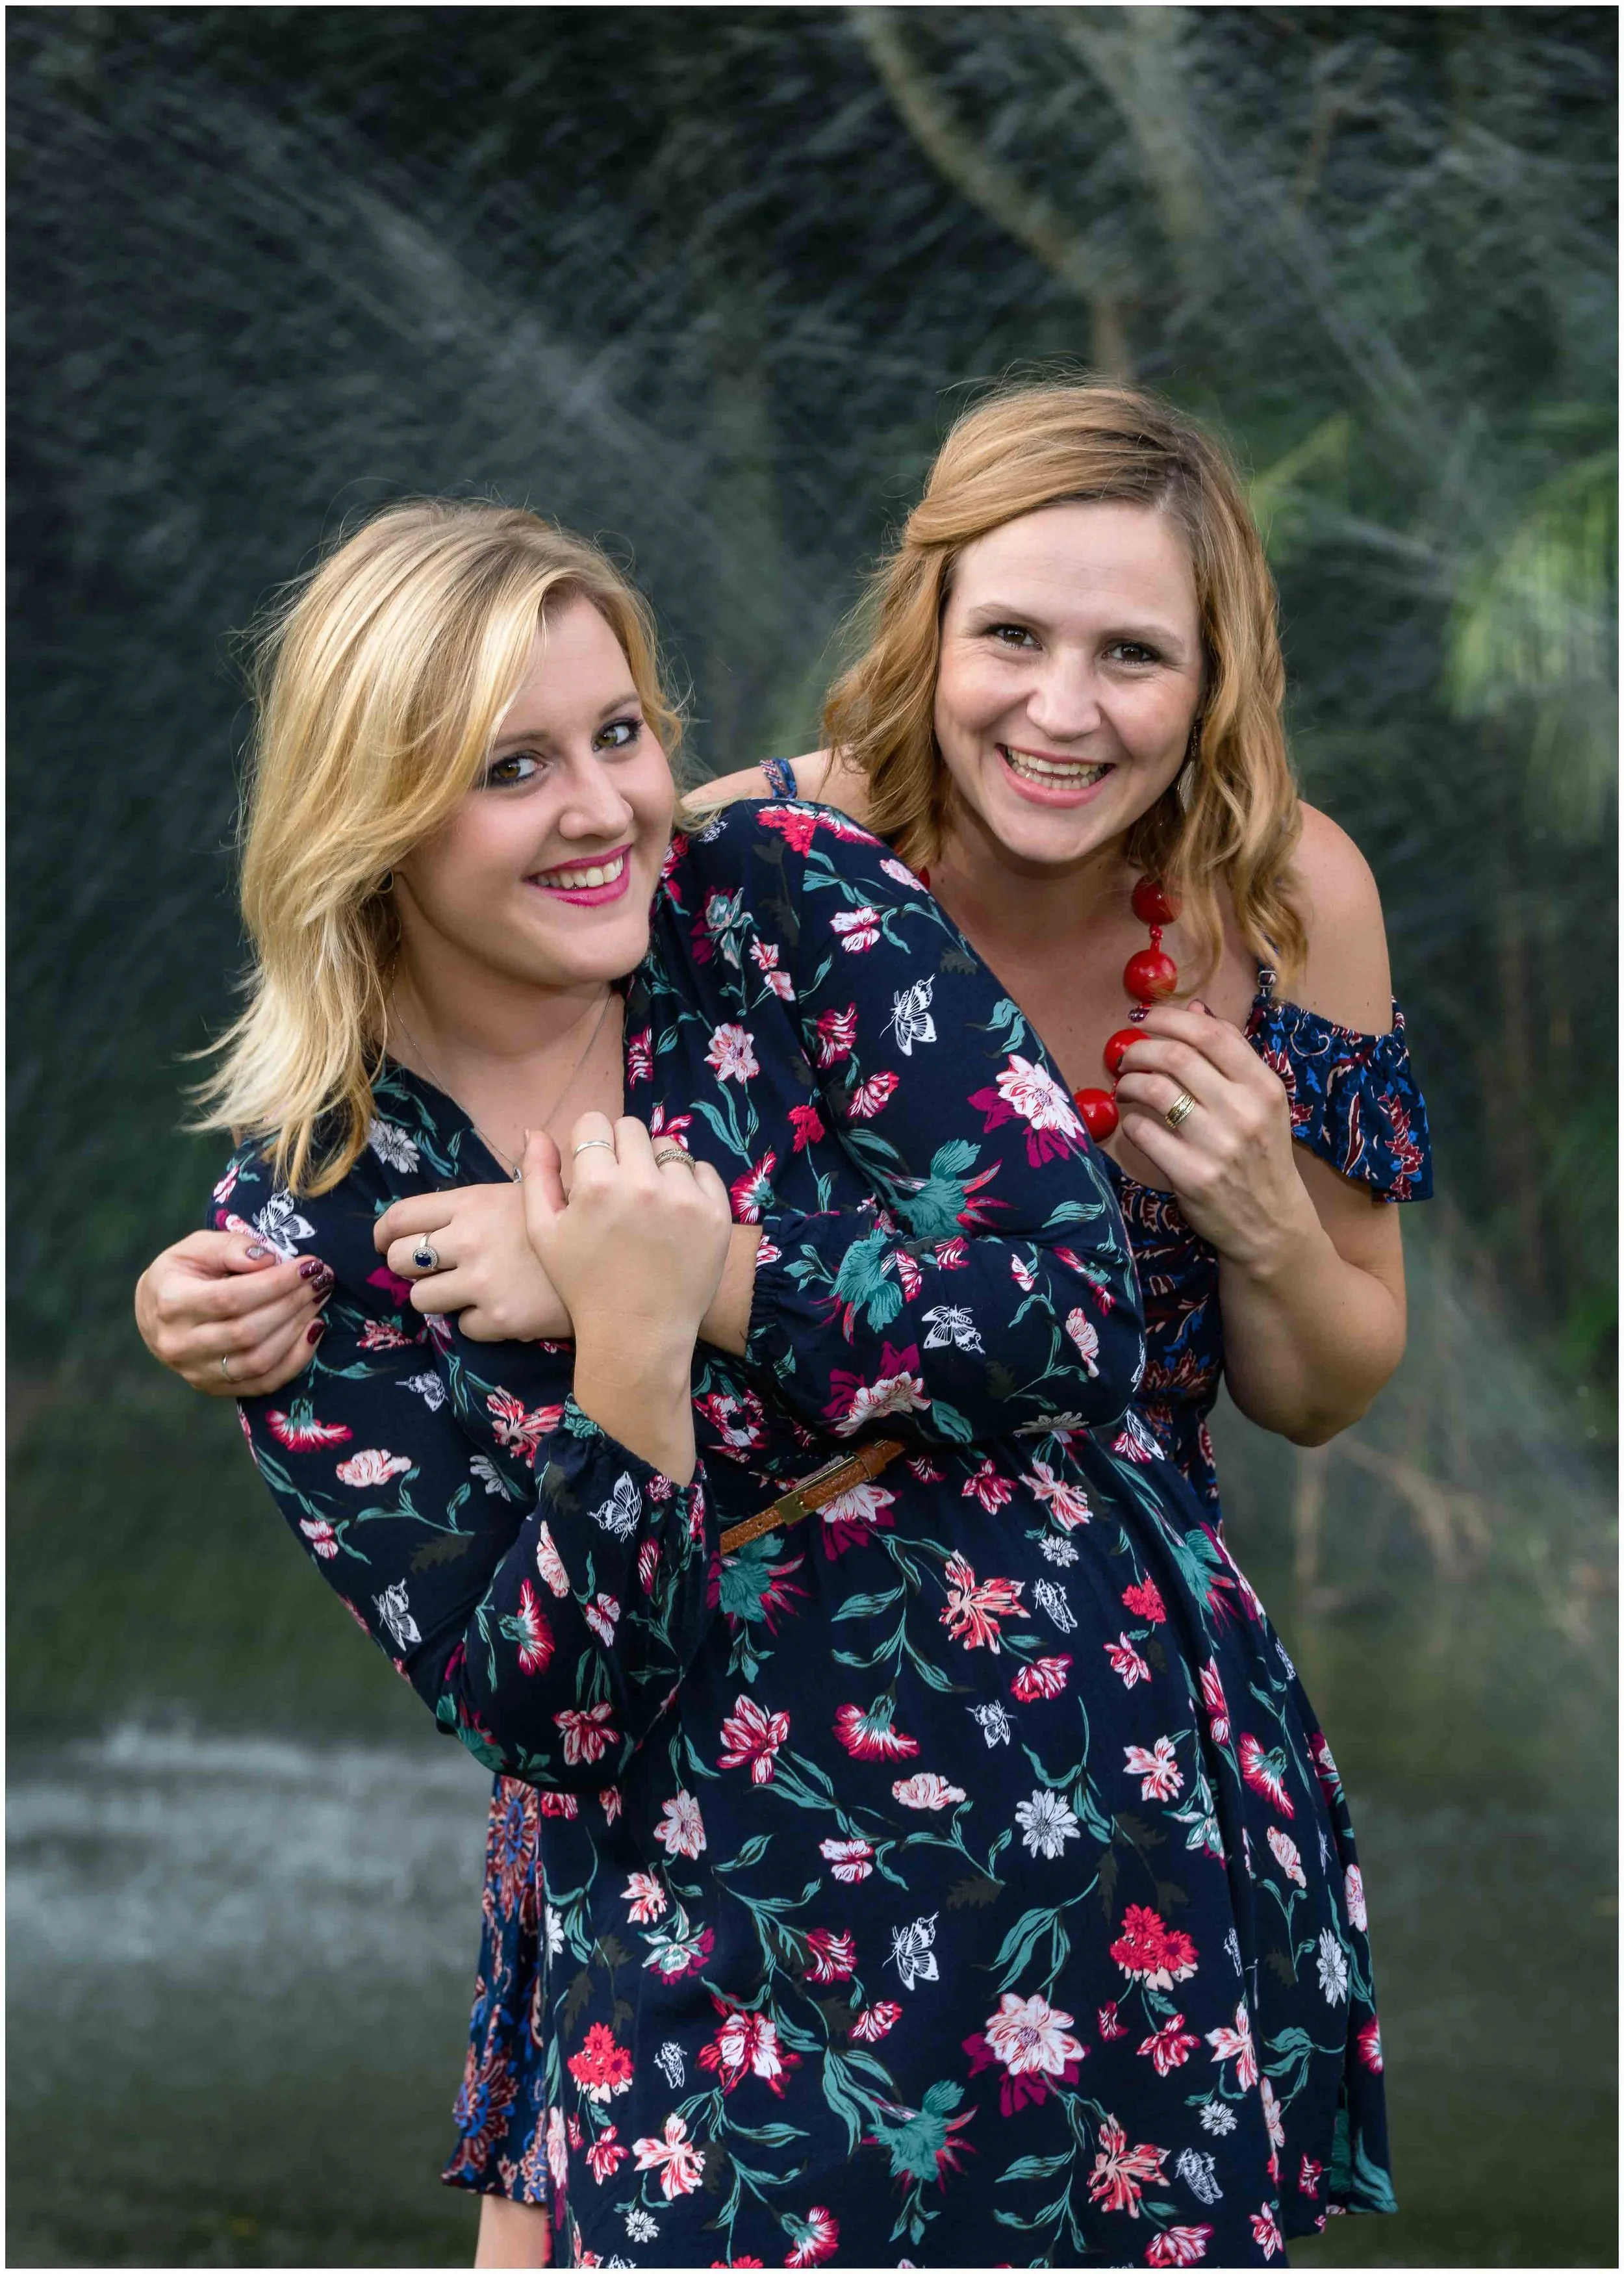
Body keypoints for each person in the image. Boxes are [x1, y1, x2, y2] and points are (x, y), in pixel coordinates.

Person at [137, 385, 1417, 2262]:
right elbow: (547, 1691)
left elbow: (1143, 1328)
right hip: (707, 1870)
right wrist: (624, 1338)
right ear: (930, 622)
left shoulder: (883, 904)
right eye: (1013, 636)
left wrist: (1247, 1221)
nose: (1061, 706)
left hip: (1076, 1758)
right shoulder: (716, 867)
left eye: (1131, 652)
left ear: (1216, 675)